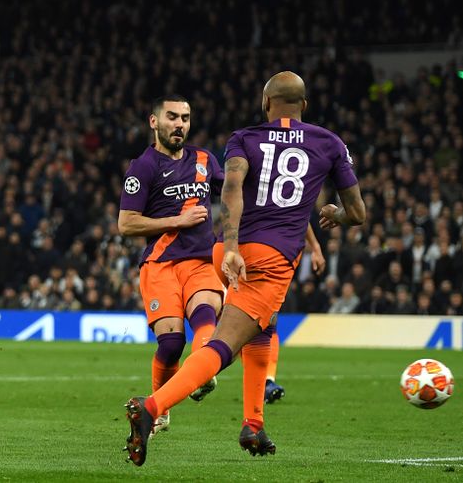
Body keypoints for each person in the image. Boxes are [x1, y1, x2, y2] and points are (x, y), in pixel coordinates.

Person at [124, 71, 365, 465]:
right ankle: (150, 407)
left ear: (266, 104)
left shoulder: (244, 138)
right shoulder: (330, 143)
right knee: (224, 345)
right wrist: (335, 214)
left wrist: (232, 246)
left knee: (263, 329)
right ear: (304, 105)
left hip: (224, 250)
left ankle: (253, 423)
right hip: (269, 263)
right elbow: (357, 212)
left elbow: (232, 188)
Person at [117, 95, 224, 433]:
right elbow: (126, 224)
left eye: (186, 118)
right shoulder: (143, 167)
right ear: (154, 122)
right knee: (172, 344)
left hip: (202, 260)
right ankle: (161, 407)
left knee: (206, 312)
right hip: (160, 264)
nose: (180, 124)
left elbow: (234, 194)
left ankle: (203, 369)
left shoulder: (205, 160)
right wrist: (178, 221)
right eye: (172, 117)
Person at [264, 226, 325, 404]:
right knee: (249, 329)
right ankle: (202, 374)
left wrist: (314, 246)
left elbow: (302, 216)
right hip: (254, 255)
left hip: (272, 259)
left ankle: (266, 382)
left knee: (264, 325)